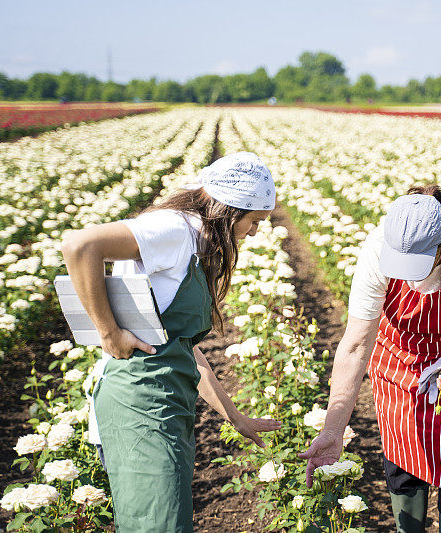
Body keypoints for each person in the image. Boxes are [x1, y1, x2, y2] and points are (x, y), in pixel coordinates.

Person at [61, 152, 282, 532]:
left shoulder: (195, 238)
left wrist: (234, 417)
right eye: (254, 221)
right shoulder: (177, 229)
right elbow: (80, 246)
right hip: (140, 401)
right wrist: (108, 331)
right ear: (229, 209)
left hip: (164, 400)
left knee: (162, 519)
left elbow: (183, 348)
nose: (256, 231)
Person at [300, 185, 441, 532]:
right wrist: (333, 429)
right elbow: (357, 344)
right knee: (403, 459)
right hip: (398, 358)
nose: (407, 277)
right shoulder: (376, 248)